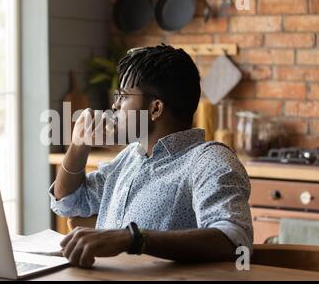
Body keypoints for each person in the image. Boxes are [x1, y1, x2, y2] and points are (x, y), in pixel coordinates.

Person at [49, 44, 253, 268]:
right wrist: (78, 146)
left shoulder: (209, 161)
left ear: (155, 108)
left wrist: (134, 238)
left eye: (123, 97)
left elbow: (235, 242)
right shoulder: (130, 157)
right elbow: (68, 203)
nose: (115, 105)